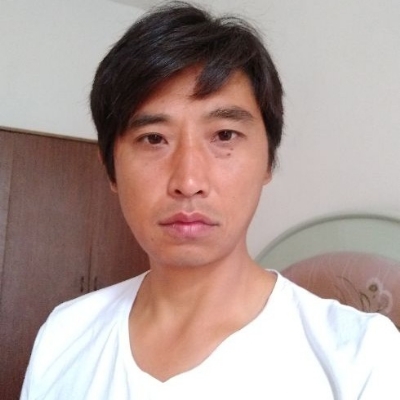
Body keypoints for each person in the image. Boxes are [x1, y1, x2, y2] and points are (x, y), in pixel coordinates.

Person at [21, 2, 400, 399]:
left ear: (268, 160)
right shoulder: (64, 335)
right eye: (154, 139)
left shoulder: (363, 359)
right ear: (111, 169)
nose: (188, 182)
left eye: (224, 135)